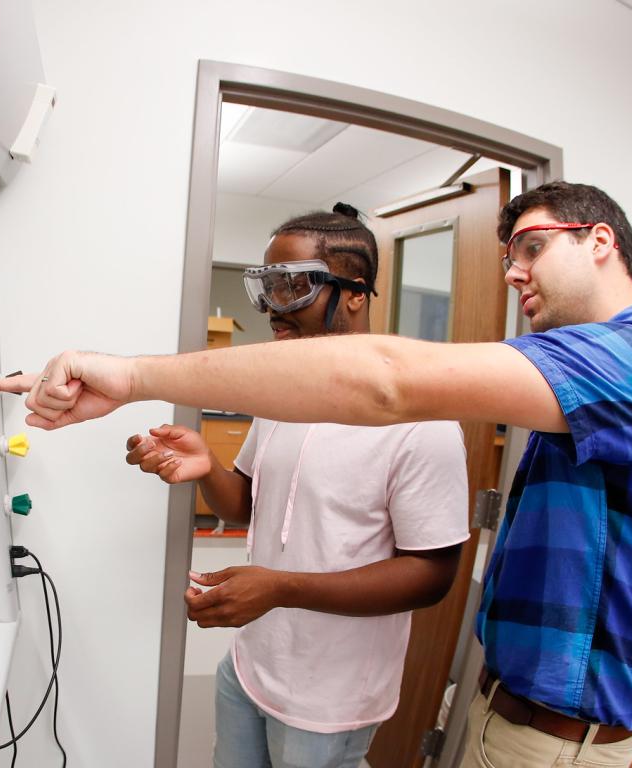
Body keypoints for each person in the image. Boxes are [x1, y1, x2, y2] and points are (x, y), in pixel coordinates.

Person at [0, 181, 632, 767]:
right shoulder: (586, 392)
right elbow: (254, 494)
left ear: (600, 239)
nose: (513, 272)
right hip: (308, 675)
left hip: (521, 729)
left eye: (531, 247)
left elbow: (388, 396)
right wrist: (208, 462)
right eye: (508, 255)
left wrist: (131, 375)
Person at [124, 205, 468, 767]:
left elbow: (431, 575)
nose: (271, 312)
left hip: (329, 697)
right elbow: (245, 502)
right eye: (265, 288)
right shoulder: (286, 394)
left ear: (355, 293)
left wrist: (280, 587)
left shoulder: (422, 424)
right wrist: (208, 463)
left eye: (293, 288)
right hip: (251, 665)